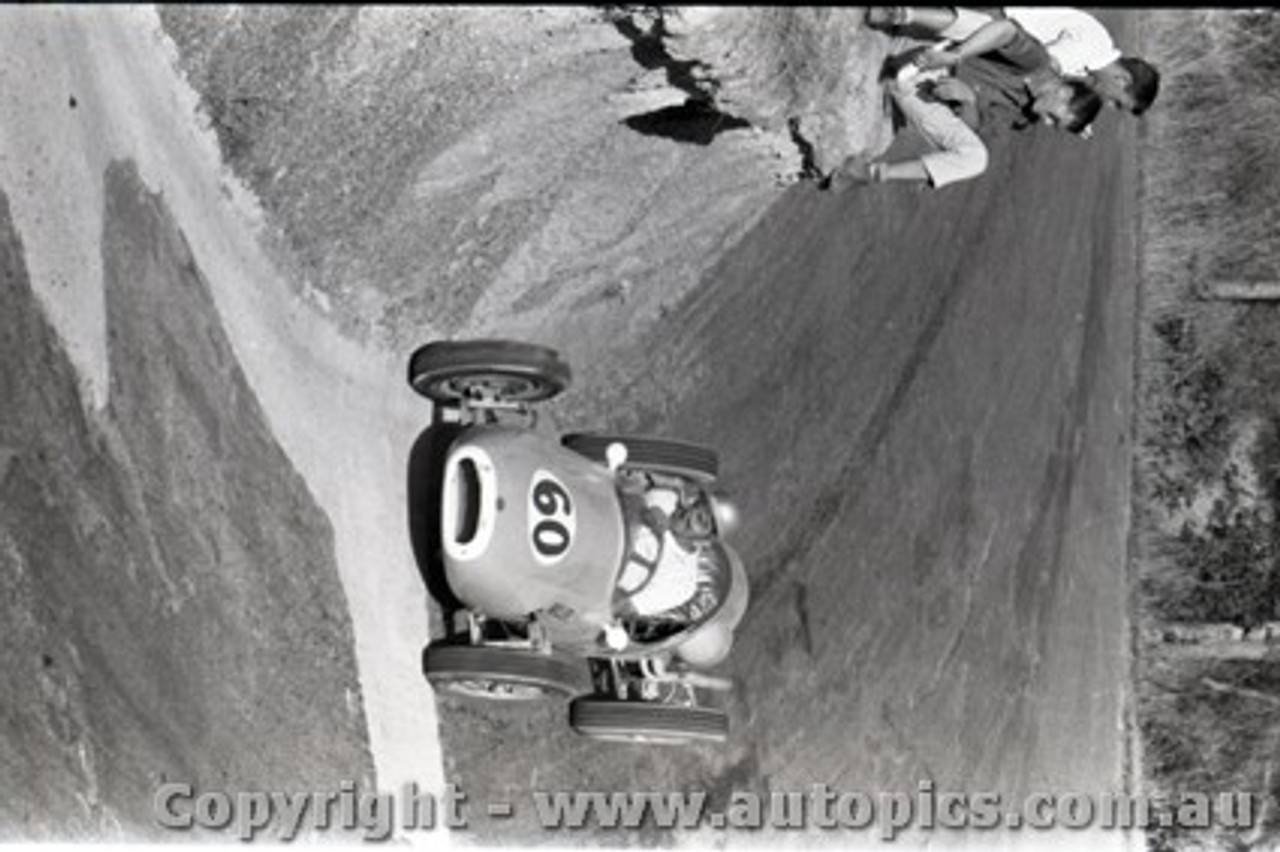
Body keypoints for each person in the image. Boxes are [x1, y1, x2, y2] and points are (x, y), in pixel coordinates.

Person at [830, 18, 1101, 189]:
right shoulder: (1038, 62)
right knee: (986, 21)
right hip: (934, 53)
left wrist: (968, 100)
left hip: (920, 90)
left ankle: (867, 174)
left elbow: (972, 128)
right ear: (1063, 93)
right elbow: (1005, 29)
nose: (1046, 122)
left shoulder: (1023, 120)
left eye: (1054, 124)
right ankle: (904, 14)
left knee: (976, 159)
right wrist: (956, 57)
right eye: (1054, 118)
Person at [868, 7, 1160, 115]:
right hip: (1005, 19)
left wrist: (1075, 116)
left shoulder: (1091, 65)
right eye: (1117, 102)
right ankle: (904, 15)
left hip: (1009, 41)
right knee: (987, 32)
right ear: (1122, 80)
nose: (1108, 104)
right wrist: (1065, 107)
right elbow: (1044, 70)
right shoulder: (1093, 46)